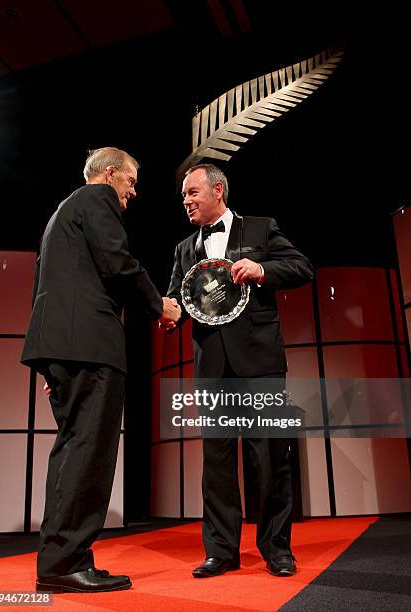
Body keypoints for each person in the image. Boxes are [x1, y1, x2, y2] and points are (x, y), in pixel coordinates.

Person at [21, 147, 181, 593]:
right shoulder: (96, 200)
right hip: (88, 345)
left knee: (75, 449)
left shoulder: (61, 213)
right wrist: (159, 306)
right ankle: (64, 563)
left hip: (62, 345)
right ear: (110, 174)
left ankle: (64, 559)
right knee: (89, 451)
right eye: (130, 183)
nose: (132, 194)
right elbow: (118, 261)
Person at [165, 163, 313, 578]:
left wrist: (263, 270)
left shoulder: (261, 229)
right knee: (217, 462)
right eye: (183, 196)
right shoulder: (183, 249)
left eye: (193, 193)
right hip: (211, 367)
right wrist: (166, 312)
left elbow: (302, 267)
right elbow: (178, 298)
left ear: (218, 190)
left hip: (259, 363)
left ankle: (276, 548)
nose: (187, 201)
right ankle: (221, 551)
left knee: (268, 456)